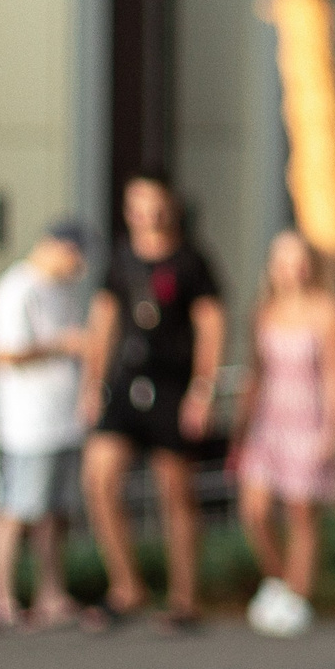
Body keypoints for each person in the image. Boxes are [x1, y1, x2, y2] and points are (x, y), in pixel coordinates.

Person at [80, 173, 223, 631]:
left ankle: (184, 599)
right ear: (127, 210)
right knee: (99, 477)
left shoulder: (191, 262)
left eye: (156, 204)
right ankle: (127, 586)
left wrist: (203, 390)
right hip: (127, 382)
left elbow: (211, 327)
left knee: (175, 493)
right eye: (138, 205)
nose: (149, 214)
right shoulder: (120, 258)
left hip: (173, 387)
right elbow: (102, 320)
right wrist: (91, 383)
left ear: (171, 207)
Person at [232, 229, 335, 638]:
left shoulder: (326, 309)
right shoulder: (264, 310)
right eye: (284, 260)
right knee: (255, 511)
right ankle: (280, 582)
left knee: (301, 513)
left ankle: (299, 597)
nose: (292, 269)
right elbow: (254, 374)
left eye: (299, 259)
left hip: (307, 417)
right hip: (269, 420)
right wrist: (241, 429)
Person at [0, 223, 89, 631]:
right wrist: (61, 344)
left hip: (63, 420)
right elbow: (6, 353)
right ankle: (3, 596)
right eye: (75, 255)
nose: (78, 265)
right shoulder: (18, 288)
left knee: (55, 513)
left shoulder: (61, 289)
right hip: (27, 424)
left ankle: (51, 593)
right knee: (18, 510)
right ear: (56, 247)